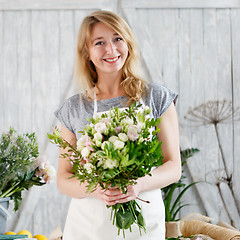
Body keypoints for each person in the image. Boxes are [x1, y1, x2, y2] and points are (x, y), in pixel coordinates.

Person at [55, 10, 181, 240]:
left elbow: (173, 166)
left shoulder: (155, 97)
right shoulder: (74, 108)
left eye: (117, 39)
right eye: (99, 42)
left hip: (144, 225)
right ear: (87, 52)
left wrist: (140, 183)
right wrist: (96, 189)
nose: (111, 50)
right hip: (88, 228)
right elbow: (64, 179)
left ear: (128, 43)